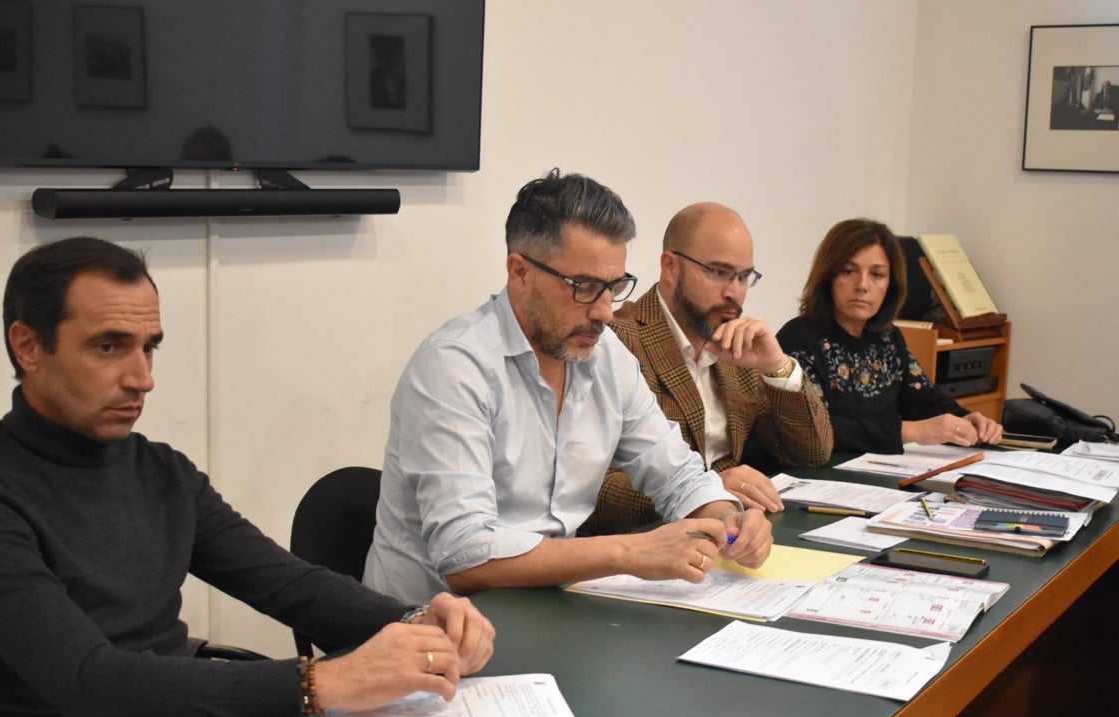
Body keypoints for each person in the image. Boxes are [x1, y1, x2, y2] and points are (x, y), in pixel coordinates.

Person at [0, 237, 495, 717]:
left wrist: (416, 622)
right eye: (108, 346)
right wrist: (320, 683)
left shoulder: (160, 471)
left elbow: (290, 586)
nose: (142, 378)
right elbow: (90, 684)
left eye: (149, 348)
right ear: (28, 346)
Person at [363, 170, 773, 605]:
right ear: (519, 272)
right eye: (585, 287)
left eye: (614, 287)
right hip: (426, 629)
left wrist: (730, 519)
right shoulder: (453, 367)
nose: (605, 312)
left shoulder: (607, 357)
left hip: (546, 609)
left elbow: (679, 477)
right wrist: (629, 551)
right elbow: (466, 556)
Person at [585, 202, 833, 534]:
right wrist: (707, 489)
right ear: (670, 266)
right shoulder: (616, 343)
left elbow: (812, 454)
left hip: (733, 535)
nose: (735, 293)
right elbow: (591, 488)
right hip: (648, 545)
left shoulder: (736, 345)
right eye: (719, 272)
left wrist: (777, 367)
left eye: (744, 277)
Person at [776, 218, 1002, 456]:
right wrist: (914, 432)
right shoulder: (799, 339)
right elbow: (814, 429)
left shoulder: (888, 338)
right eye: (849, 271)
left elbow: (922, 396)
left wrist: (965, 419)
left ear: (890, 284)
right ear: (828, 276)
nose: (862, 286)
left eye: (877, 274)